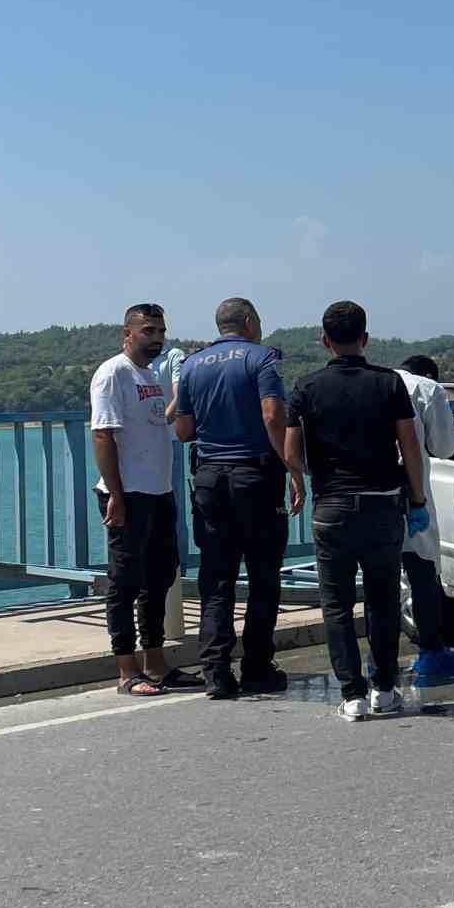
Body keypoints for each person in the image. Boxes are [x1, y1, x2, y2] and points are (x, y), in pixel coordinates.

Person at [285, 300, 428, 721]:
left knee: (337, 605)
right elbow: (410, 448)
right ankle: (385, 688)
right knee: (382, 602)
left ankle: (352, 696)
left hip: (332, 507)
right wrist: (416, 500)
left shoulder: (306, 387)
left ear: (325, 341)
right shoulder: (389, 384)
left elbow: (292, 452)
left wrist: (301, 483)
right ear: (365, 338)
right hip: (383, 505)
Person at [173, 297, 291, 700]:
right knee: (263, 575)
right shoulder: (262, 360)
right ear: (248, 321)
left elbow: (183, 430)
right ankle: (257, 667)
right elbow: (274, 417)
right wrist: (293, 468)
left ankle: (216, 672)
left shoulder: (191, 365)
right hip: (255, 477)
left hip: (209, 478)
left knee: (217, 577)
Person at [90, 303, 179, 697]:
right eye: (147, 331)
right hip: (128, 494)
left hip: (159, 492)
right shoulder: (113, 373)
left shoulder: (151, 376)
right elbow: (103, 435)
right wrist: (116, 494)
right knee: (124, 583)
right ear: (128, 334)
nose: (156, 338)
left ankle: (156, 664)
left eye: (160, 330)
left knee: (159, 579)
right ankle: (127, 670)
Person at [396, 355, 454, 679]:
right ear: (428, 374)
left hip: (361, 497)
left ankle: (377, 663)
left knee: (376, 579)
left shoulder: (372, 382)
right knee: (422, 574)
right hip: (412, 497)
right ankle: (431, 654)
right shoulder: (426, 388)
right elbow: (446, 446)